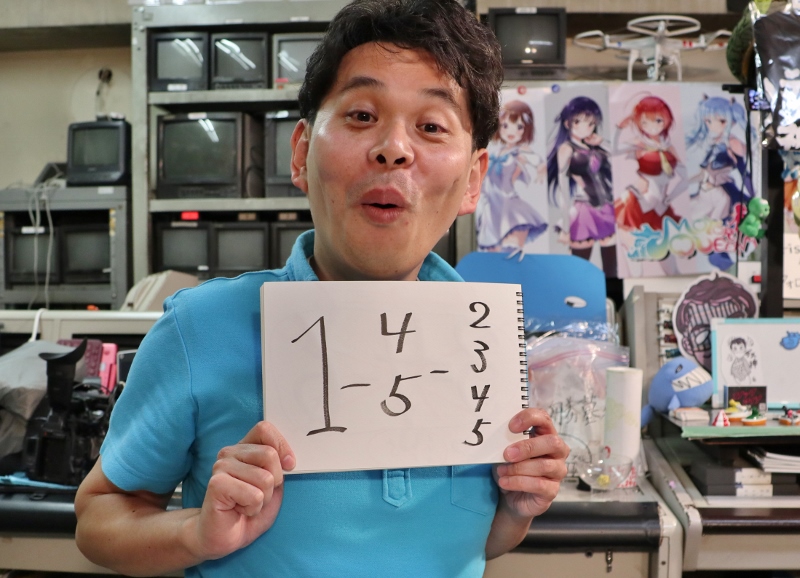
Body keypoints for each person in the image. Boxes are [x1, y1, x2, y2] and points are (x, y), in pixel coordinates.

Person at [74, 1, 569, 577]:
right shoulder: (200, 328)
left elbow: (468, 545)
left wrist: (516, 508)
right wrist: (197, 533)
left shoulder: (485, 346)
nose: (394, 148)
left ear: (473, 180)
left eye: (431, 126)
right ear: (302, 152)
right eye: (361, 115)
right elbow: (99, 517)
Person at [546, 96, 616, 277]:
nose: (586, 127)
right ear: (568, 123)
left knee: (612, 268)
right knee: (579, 270)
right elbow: (563, 189)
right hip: (583, 209)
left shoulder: (595, 147)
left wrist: (601, 142)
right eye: (579, 122)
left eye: (591, 123)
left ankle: (612, 294)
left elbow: (619, 158)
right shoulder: (566, 149)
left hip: (606, 206)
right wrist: (566, 226)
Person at [476, 99, 547, 256]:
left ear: (526, 129)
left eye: (519, 127)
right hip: (490, 205)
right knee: (492, 254)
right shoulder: (495, 153)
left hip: (509, 203)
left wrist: (540, 169)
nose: (511, 131)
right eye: (505, 126)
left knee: (510, 251)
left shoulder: (520, 152)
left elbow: (538, 162)